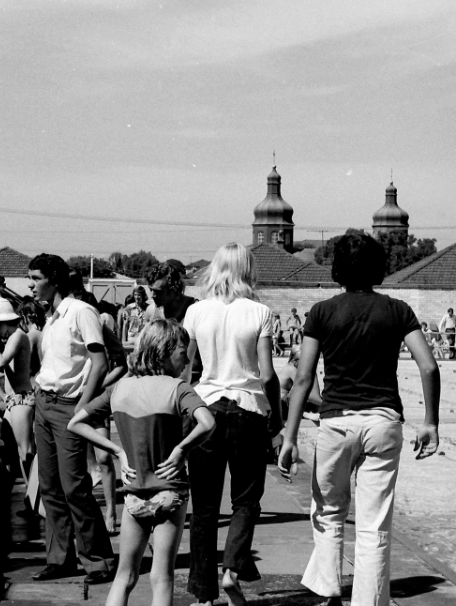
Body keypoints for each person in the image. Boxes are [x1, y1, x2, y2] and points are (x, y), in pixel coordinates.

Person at [278, 234, 440, 606]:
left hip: (335, 422)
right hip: (383, 422)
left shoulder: (321, 312)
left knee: (329, 512)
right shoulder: (398, 310)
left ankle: (328, 588)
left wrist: (288, 438)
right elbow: (428, 366)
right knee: (374, 523)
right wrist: (430, 421)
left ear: (338, 269)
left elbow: (303, 379)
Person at [68, 319, 215, 606]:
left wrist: (118, 452)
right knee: (161, 577)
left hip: (134, 493)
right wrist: (182, 449)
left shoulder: (119, 389)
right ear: (164, 350)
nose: (187, 358)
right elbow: (207, 423)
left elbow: (76, 423)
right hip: (169, 491)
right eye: (182, 350)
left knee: (125, 576)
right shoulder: (178, 388)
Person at [182, 243, 282, 606]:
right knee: (246, 500)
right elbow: (267, 374)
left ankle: (203, 593)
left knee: (204, 507)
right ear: (247, 270)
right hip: (248, 410)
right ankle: (233, 569)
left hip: (206, 410)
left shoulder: (195, 312)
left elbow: (187, 368)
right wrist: (278, 418)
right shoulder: (260, 312)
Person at [27, 253, 115, 584]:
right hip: (44, 405)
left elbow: (102, 361)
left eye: (36, 278)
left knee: (74, 487)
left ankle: (98, 561)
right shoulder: (52, 318)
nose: (31, 284)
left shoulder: (82, 312)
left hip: (69, 407)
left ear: (55, 280)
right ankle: (59, 559)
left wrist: (84, 405)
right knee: (49, 487)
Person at [0, 298, 35, 468]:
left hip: (21, 399)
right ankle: (30, 490)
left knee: (25, 450)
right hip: (14, 399)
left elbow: (1, 363)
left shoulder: (18, 335)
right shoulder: (12, 337)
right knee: (15, 451)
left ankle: (34, 492)